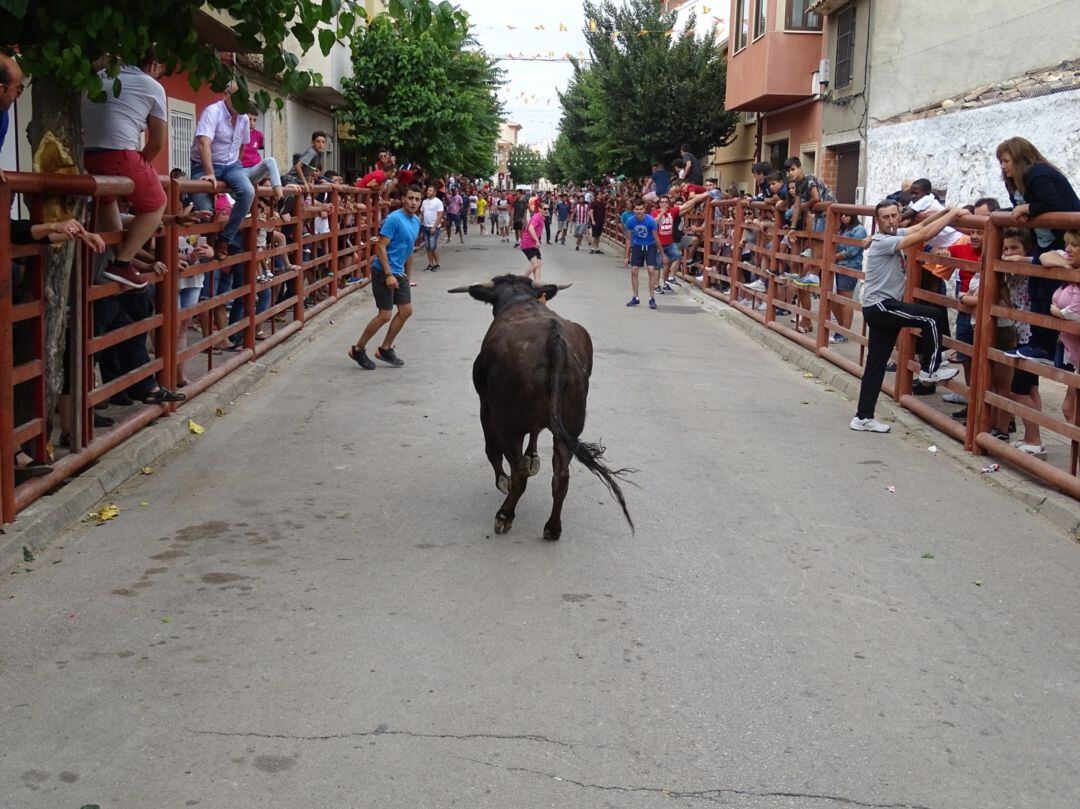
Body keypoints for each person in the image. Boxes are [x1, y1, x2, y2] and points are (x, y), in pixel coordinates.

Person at [850, 202, 965, 433]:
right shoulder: (883, 241)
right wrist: (953, 214)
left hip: (880, 307)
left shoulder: (893, 234)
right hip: (881, 306)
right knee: (932, 317)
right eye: (885, 217)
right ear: (878, 221)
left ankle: (863, 417)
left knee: (876, 365)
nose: (891, 220)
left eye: (894, 215)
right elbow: (924, 234)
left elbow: (920, 226)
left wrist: (944, 212)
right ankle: (930, 368)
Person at [80, 51, 168, 288]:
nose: (160, 77)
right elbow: (157, 142)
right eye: (161, 71)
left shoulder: (100, 75)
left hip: (88, 155)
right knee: (158, 203)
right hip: (120, 153)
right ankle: (122, 263)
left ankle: (120, 260)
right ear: (153, 65)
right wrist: (140, 168)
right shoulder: (151, 86)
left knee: (106, 200)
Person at [996, 136, 1080, 364]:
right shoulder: (1013, 182)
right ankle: (1037, 345)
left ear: (1020, 159)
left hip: (1063, 241)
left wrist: (1027, 208)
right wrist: (1023, 210)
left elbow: (1053, 204)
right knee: (1036, 290)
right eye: (1001, 161)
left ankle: (1051, 349)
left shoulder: (1038, 173)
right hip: (1043, 242)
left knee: (1053, 293)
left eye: (1006, 161)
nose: (1003, 166)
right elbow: (1021, 209)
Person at [348, 185, 422, 370]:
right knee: (385, 315)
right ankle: (358, 349)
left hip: (399, 272)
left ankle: (385, 349)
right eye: (410, 198)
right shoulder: (394, 219)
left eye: (417, 199)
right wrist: (388, 274)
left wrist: (407, 277)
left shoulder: (416, 221)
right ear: (403, 199)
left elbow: (409, 250)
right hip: (384, 271)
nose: (413, 202)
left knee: (406, 311)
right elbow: (380, 246)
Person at [189, 82, 255, 258]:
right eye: (237, 98)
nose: (241, 103)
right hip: (203, 164)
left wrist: (236, 166)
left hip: (231, 165)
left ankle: (225, 239)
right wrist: (210, 173)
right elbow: (204, 144)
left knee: (248, 192)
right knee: (205, 210)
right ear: (226, 95)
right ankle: (207, 250)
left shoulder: (244, 118)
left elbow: (242, 145)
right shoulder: (213, 112)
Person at [828, 211, 867, 343]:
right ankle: (842, 329)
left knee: (845, 300)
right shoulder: (842, 229)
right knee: (836, 298)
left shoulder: (859, 230)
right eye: (842, 215)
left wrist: (833, 257)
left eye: (847, 214)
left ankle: (844, 332)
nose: (843, 217)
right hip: (837, 266)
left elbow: (852, 251)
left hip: (850, 267)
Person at [624, 200, 663, 310]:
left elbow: (656, 238)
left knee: (651, 270)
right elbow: (628, 239)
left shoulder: (650, 221)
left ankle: (652, 298)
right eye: (637, 209)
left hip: (650, 246)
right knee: (634, 271)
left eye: (641, 209)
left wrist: (662, 253)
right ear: (634, 210)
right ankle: (635, 297)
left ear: (644, 210)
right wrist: (626, 256)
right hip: (637, 246)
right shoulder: (630, 221)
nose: (639, 211)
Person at [419, 185, 444, 272]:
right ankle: (430, 264)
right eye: (428, 190)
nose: (428, 192)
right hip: (425, 226)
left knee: (433, 246)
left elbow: (440, 215)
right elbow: (422, 213)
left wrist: (434, 226)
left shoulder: (438, 202)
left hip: (434, 227)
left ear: (434, 192)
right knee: (428, 247)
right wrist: (419, 224)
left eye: (430, 190)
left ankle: (437, 264)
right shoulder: (424, 202)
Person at [520, 198, 545, 282]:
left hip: (533, 244)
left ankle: (538, 282)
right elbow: (531, 228)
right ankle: (522, 280)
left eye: (547, 209)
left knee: (539, 263)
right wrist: (537, 240)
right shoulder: (537, 217)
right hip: (528, 244)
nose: (546, 210)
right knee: (534, 264)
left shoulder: (541, 217)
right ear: (540, 209)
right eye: (545, 209)